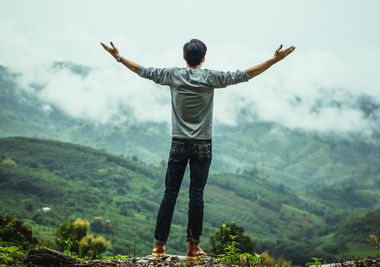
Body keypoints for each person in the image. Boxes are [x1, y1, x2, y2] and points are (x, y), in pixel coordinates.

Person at [100, 39, 295, 259]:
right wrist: (274, 60)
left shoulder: (172, 75)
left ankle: (158, 246)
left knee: (169, 194)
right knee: (196, 195)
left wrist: (118, 56)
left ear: (184, 57)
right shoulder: (211, 77)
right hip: (203, 145)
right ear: (204, 58)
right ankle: (193, 247)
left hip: (178, 143)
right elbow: (245, 74)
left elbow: (142, 70)